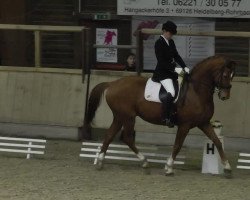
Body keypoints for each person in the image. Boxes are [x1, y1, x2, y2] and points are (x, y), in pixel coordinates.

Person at [152, 21, 190, 127]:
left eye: (172, 34)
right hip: (162, 73)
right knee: (171, 92)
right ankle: (166, 117)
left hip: (171, 72)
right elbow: (161, 61)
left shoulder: (171, 42)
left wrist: (184, 66)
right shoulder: (158, 43)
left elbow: (176, 56)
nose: (171, 35)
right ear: (164, 31)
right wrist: (174, 68)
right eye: (169, 33)